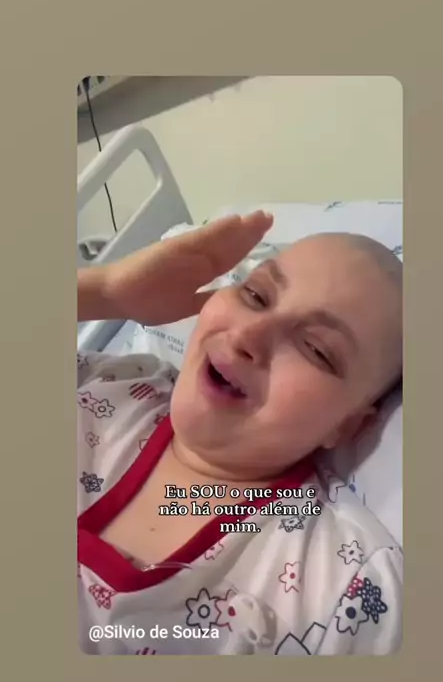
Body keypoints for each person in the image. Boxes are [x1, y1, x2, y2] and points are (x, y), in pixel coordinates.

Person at [77, 211, 403, 655]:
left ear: (349, 424)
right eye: (255, 295)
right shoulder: (109, 385)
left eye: (316, 349)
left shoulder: (342, 589)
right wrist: (104, 292)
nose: (249, 334)